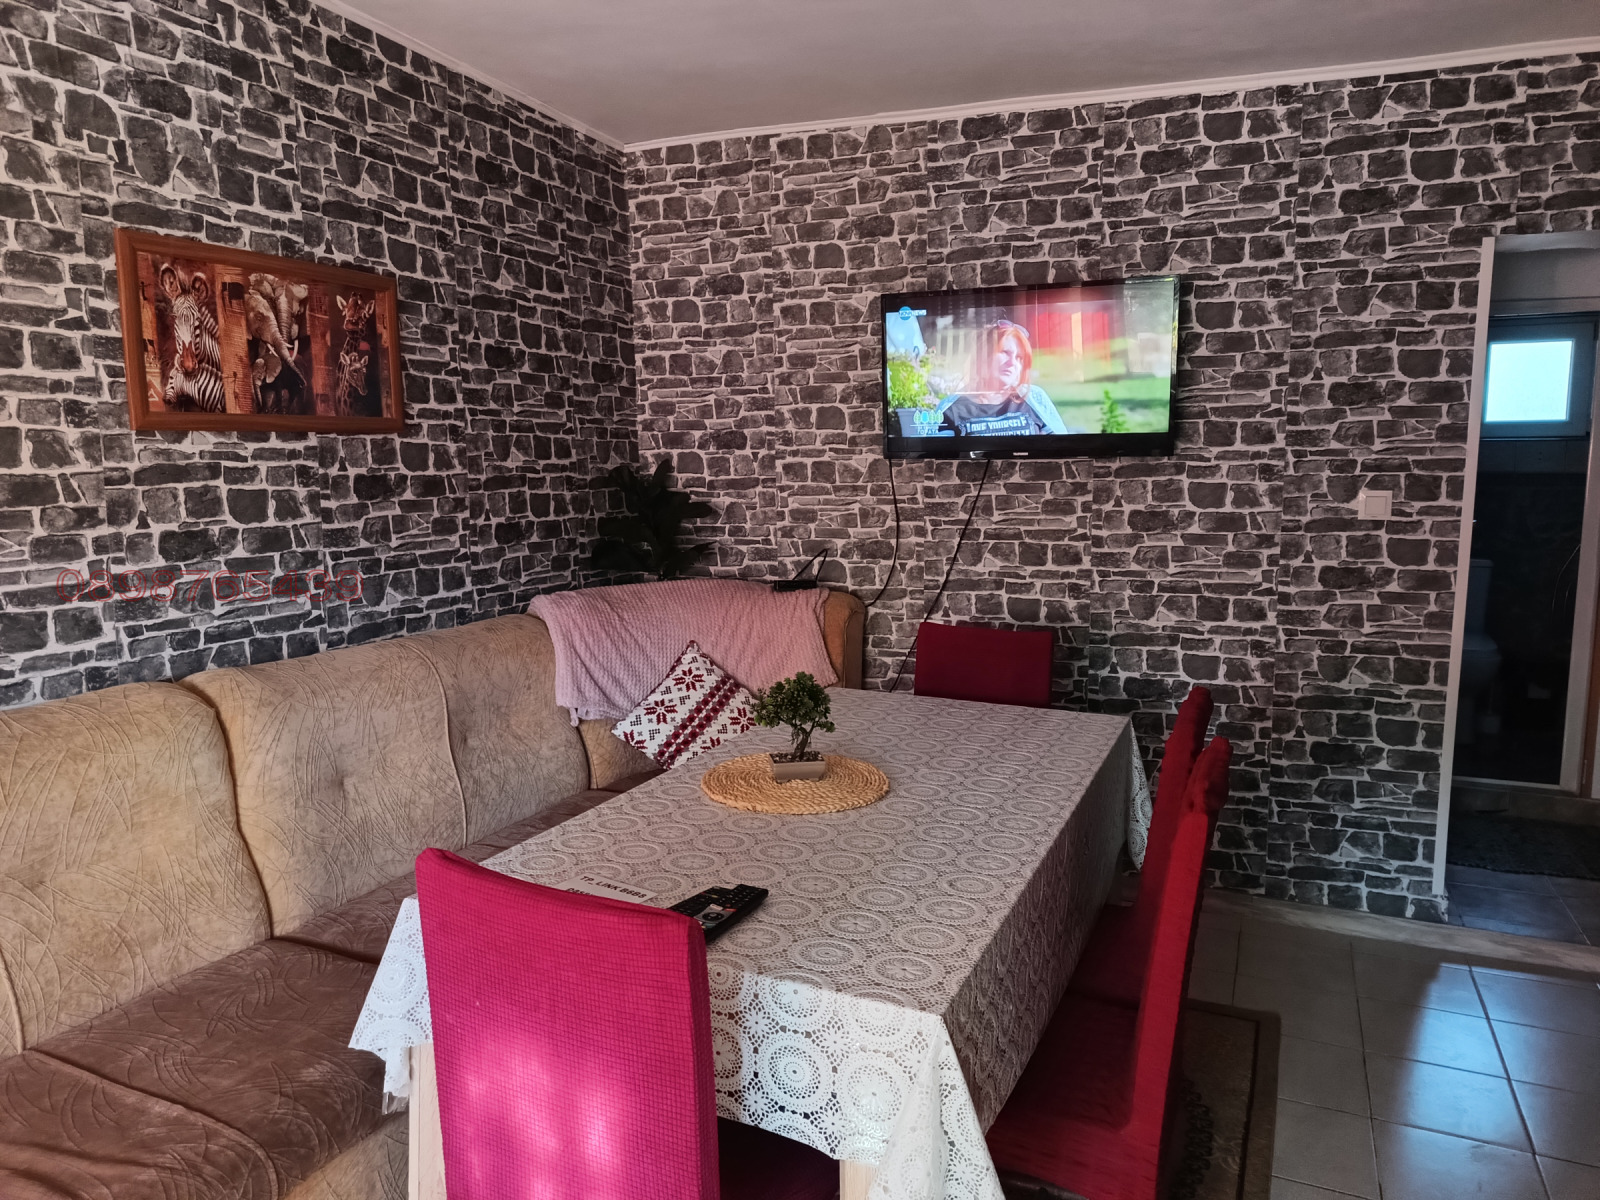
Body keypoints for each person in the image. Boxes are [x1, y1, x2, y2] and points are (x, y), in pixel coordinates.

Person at [935, 319, 1075, 436]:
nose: (1012, 363)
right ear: (983, 356)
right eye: (1005, 352)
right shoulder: (951, 409)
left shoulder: (1034, 398)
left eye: (1019, 357)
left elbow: (1062, 449)